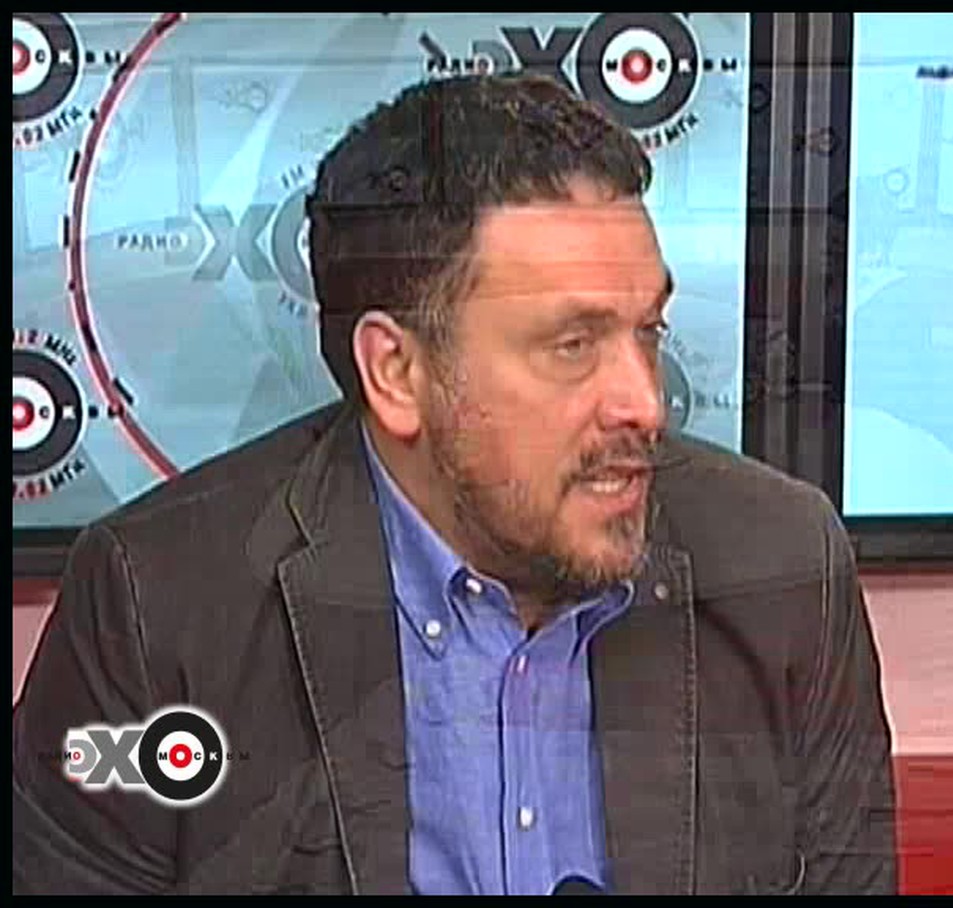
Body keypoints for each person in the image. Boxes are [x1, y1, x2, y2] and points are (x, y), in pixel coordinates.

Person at [12, 73, 897, 895]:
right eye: (573, 345)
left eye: (647, 331)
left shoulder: (784, 570)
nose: (644, 403)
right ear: (397, 372)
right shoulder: (155, 608)